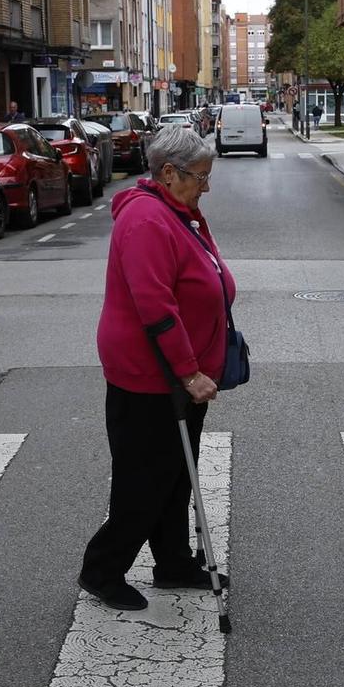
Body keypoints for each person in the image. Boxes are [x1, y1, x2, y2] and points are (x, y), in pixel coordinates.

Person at [80, 126, 234, 613]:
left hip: (177, 374)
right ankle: (101, 570)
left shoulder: (175, 210)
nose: (205, 186)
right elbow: (156, 307)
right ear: (168, 172)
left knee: (175, 474)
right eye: (200, 177)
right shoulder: (148, 220)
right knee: (143, 482)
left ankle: (173, 563)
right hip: (151, 376)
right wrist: (189, 373)